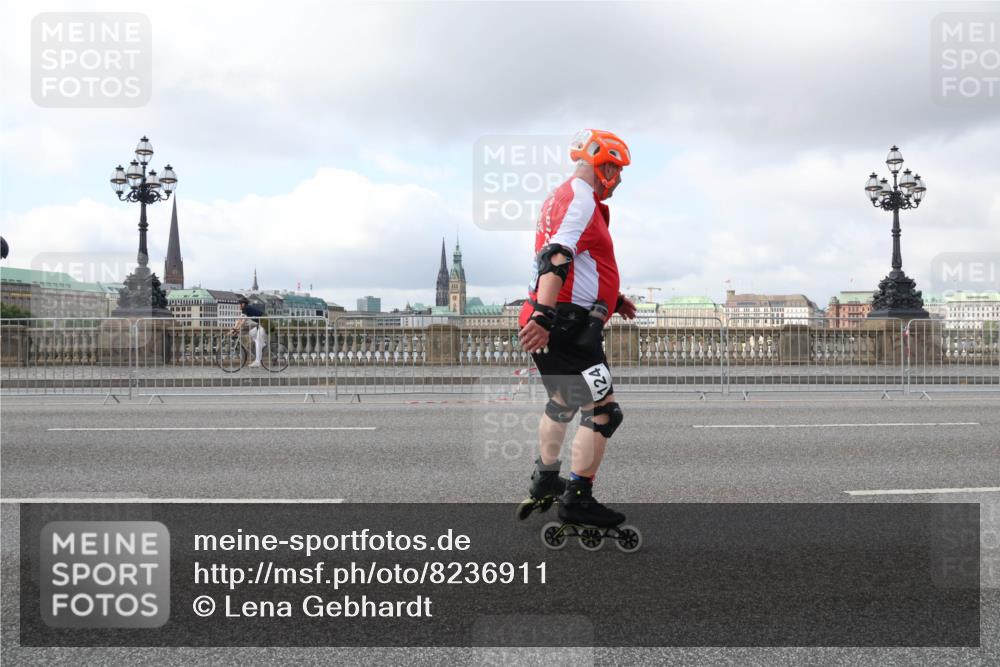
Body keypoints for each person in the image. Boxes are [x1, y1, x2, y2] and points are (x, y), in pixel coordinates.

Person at [517, 129, 637, 527]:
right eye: (617, 171)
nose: (618, 181)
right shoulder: (581, 199)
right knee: (604, 411)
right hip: (568, 324)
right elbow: (557, 257)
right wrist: (545, 316)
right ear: (603, 167)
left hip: (558, 316)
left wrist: (613, 296)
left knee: (563, 402)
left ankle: (545, 478)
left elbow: (583, 260)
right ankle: (578, 500)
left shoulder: (560, 196)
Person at [231, 296, 267, 367]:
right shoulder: (246, 309)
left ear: (243, 304)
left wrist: (235, 329)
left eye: (239, 304)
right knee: (251, 333)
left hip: (265, 323)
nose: (239, 306)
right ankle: (262, 345)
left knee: (258, 342)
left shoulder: (246, 308)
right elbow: (240, 320)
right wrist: (235, 328)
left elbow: (241, 321)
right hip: (261, 323)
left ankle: (257, 362)